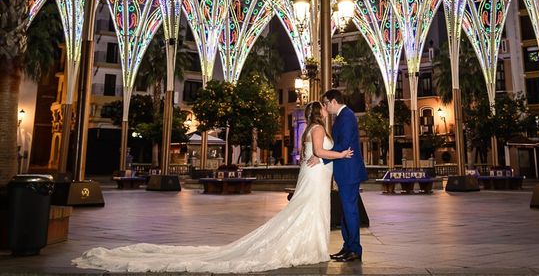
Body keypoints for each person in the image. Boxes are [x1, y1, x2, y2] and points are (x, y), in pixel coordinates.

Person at [72, 101, 353, 273]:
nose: (326, 112)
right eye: (323, 109)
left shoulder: (314, 129)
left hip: (315, 176)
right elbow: (318, 150)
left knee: (309, 211)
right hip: (314, 178)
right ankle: (308, 247)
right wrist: (339, 155)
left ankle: (312, 247)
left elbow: (313, 153)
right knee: (306, 211)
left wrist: (320, 156)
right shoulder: (317, 130)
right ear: (319, 113)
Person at [319, 89, 368, 262]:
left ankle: (354, 249)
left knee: (350, 212)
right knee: (346, 212)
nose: (325, 106)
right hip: (345, 170)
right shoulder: (342, 116)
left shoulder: (346, 116)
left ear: (333, 101)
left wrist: (322, 155)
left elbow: (344, 144)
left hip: (349, 171)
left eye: (325, 103)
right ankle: (348, 247)